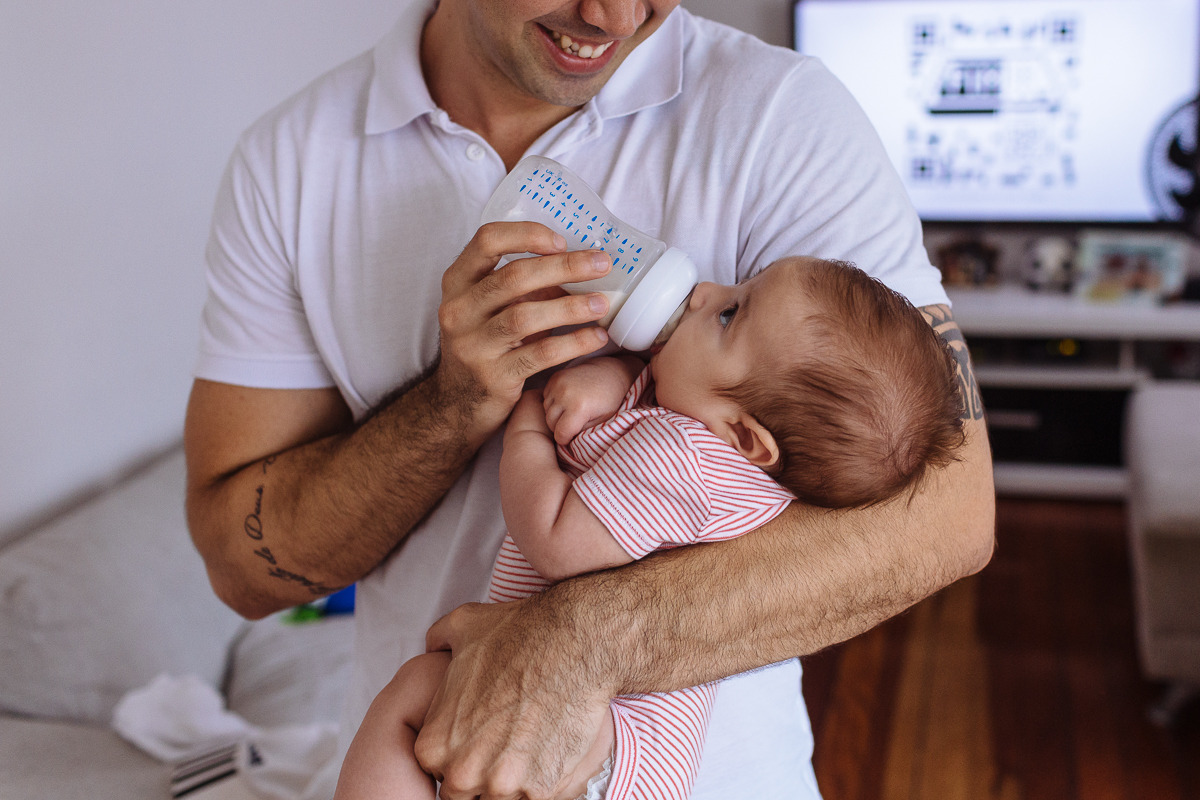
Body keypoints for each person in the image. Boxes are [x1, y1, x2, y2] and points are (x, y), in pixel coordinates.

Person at [184, 2, 995, 798]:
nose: (612, 14)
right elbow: (243, 568)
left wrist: (580, 642)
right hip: (435, 759)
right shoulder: (290, 163)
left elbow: (946, 512)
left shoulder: (778, 114)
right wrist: (457, 403)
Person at [331, 256, 967, 800]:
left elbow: (555, 541)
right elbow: (659, 405)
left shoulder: (683, 456)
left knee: (416, 693)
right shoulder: (732, 462)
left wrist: (525, 420)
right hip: (632, 749)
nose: (707, 291)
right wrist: (609, 378)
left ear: (745, 434)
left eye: (730, 314)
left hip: (601, 732)